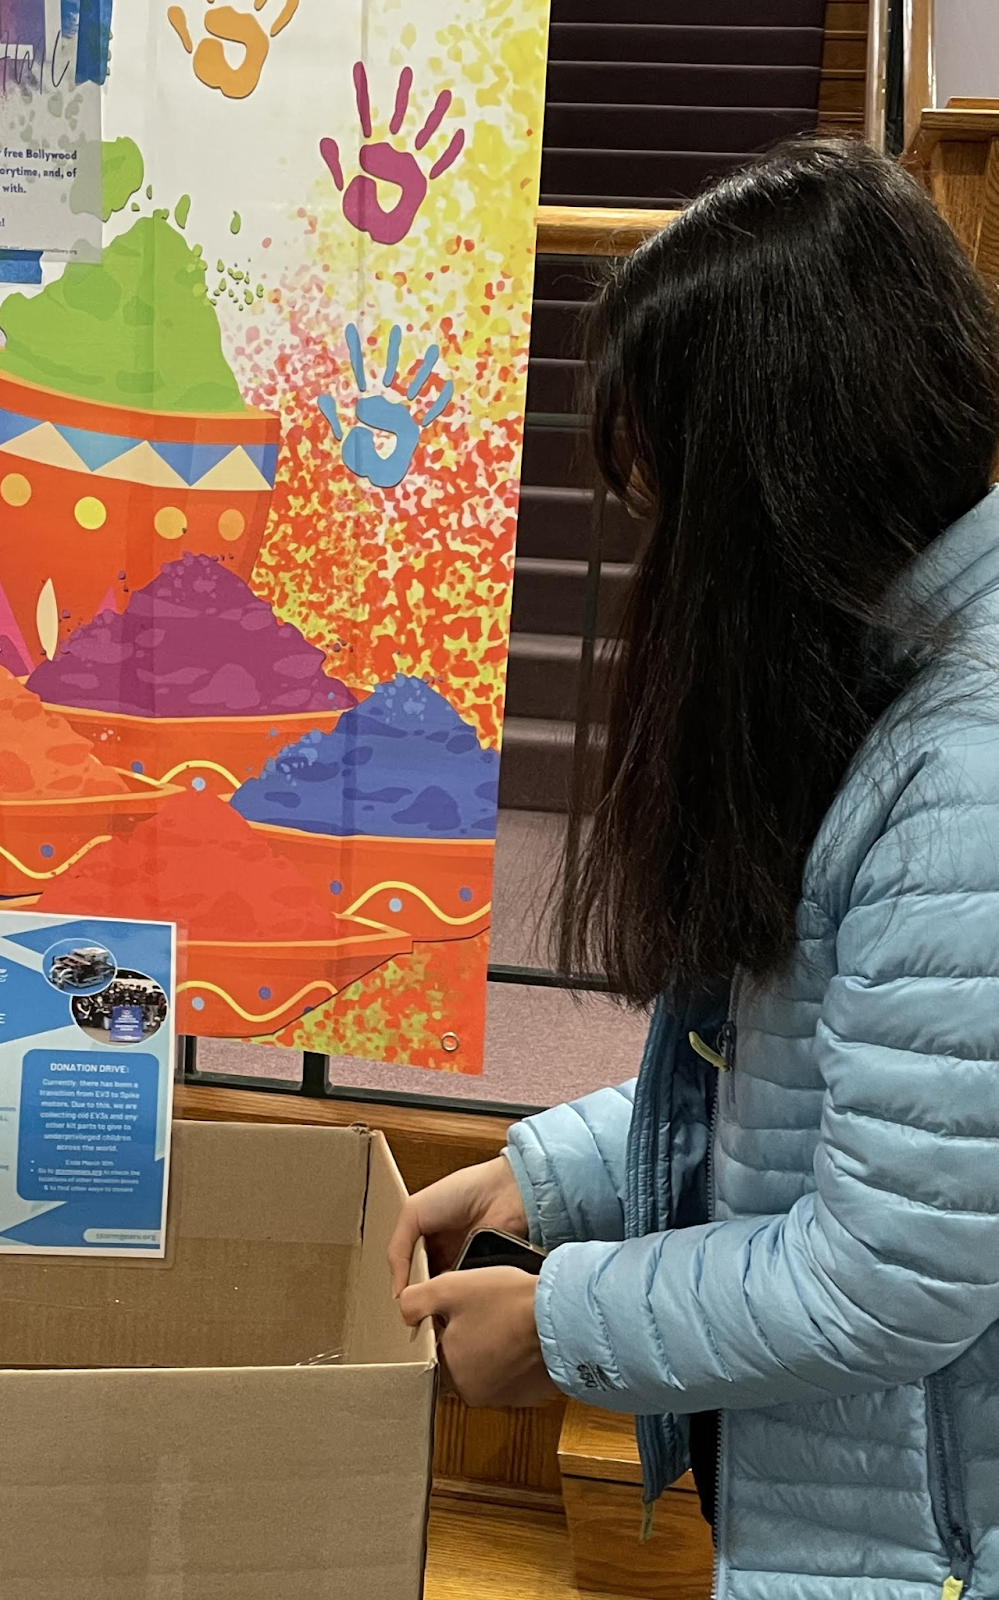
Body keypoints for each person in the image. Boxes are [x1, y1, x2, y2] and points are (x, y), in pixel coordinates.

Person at [390, 139, 999, 1599]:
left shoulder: (962, 773)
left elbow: (891, 1271)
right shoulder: (887, 660)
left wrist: (560, 1325)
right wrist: (547, 1172)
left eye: (671, 497)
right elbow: (814, 1085)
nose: (658, 545)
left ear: (778, 476)